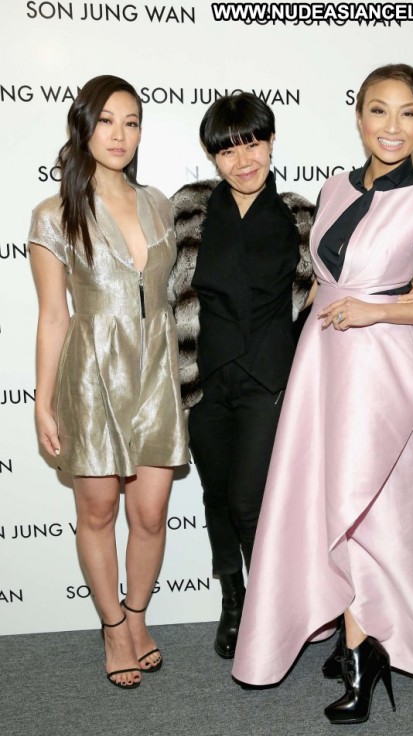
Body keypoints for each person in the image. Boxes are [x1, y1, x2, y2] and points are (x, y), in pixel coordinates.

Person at [232, 64, 413, 724]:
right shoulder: (333, 188)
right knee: (323, 498)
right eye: (378, 110)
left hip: (380, 372)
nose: (392, 127)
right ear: (359, 116)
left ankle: (367, 658)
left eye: (408, 113)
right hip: (325, 364)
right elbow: (326, 279)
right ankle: (350, 633)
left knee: (366, 509)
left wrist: (379, 310)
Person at [29, 75, 188, 689]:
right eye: (106, 121)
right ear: (84, 127)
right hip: (93, 375)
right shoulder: (54, 215)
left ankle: (139, 616)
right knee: (97, 512)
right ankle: (114, 627)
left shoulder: (160, 204)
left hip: (155, 371)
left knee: (151, 513)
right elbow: (53, 316)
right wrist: (43, 402)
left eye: (132, 122)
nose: (119, 134)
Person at [168, 93, 315, 659]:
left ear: (271, 142)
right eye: (227, 150)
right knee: (216, 494)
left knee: (251, 501)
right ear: (213, 157)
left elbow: (338, 284)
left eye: (252, 143)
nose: (243, 159)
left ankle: (273, 610)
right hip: (205, 377)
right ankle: (234, 599)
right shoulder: (189, 208)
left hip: (270, 381)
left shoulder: (303, 216)